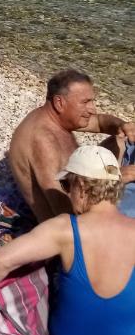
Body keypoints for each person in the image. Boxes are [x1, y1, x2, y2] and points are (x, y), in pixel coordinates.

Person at [0, 145, 135, 335]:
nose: (67, 194)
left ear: (81, 186)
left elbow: (0, 260)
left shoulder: (65, 229)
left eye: (67, 185)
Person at [8, 69, 135, 221]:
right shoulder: (43, 141)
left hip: (85, 186)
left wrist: (123, 126)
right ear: (59, 103)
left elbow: (100, 122)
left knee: (122, 139)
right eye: (85, 102)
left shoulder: (57, 117)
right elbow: (63, 207)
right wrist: (116, 177)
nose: (92, 108)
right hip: (78, 218)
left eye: (92, 101)